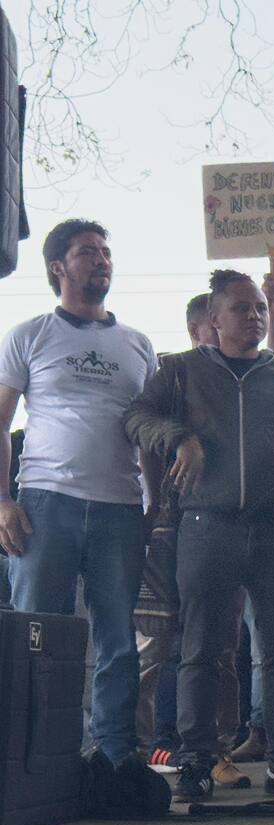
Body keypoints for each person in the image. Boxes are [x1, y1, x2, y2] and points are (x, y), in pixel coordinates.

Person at [125, 269, 274, 799]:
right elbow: (136, 418)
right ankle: (196, 762)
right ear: (213, 319)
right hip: (204, 525)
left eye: (259, 308)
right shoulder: (179, 371)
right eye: (241, 308)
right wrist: (180, 436)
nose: (254, 316)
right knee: (201, 649)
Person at [0, 219, 158, 766]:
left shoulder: (138, 344)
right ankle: (34, 760)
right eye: (88, 251)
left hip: (121, 509)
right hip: (45, 505)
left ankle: (113, 760)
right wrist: (3, 501)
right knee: (37, 637)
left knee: (118, 642)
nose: (102, 260)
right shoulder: (30, 334)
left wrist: (154, 503)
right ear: (58, 267)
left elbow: (148, 431)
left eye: (106, 252)